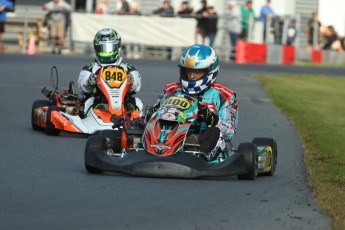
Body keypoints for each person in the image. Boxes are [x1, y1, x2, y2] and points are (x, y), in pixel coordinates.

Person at [149, 44, 238, 162]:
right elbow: (153, 118)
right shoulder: (171, 90)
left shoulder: (225, 96)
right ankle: (153, 148)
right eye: (188, 71)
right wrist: (152, 114)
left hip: (202, 143)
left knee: (214, 132)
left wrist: (212, 119)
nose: (191, 76)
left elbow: (229, 133)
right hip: (170, 135)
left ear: (210, 71)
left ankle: (198, 154)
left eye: (197, 72)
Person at [77, 28, 143, 117]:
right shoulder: (90, 68)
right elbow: (82, 87)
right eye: (103, 48)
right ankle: (92, 119)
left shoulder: (128, 68)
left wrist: (132, 81)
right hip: (99, 101)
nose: (106, 52)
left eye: (108, 48)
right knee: (90, 101)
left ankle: (133, 122)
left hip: (122, 104)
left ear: (117, 47)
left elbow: (136, 88)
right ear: (97, 48)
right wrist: (89, 82)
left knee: (137, 102)